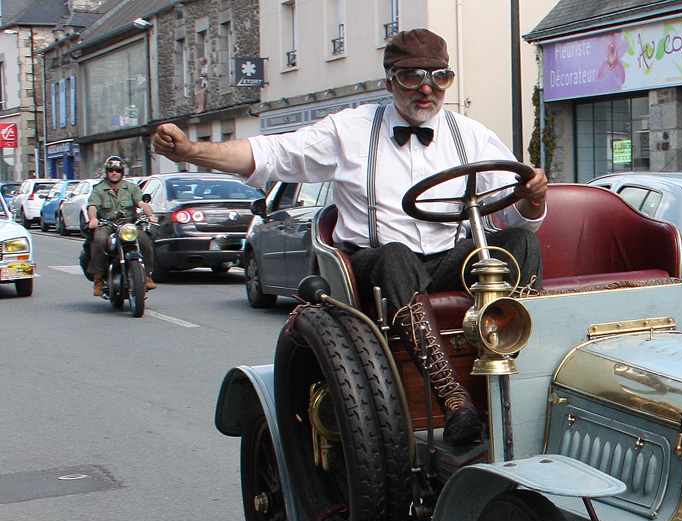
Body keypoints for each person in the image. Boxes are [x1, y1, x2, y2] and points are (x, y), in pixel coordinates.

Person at [151, 28, 547, 444]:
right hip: (376, 264)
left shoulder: (471, 135)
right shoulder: (350, 129)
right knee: (396, 255)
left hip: (450, 257)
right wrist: (192, 152)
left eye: (440, 78)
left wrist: (533, 199)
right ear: (390, 80)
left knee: (521, 246)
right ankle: (455, 401)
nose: (428, 89)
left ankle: (520, 379)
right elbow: (272, 154)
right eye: (413, 78)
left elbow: (520, 212)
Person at [86, 156, 157, 297]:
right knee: (99, 240)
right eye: (111, 170)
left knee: (144, 239)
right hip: (107, 224)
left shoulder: (131, 188)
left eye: (117, 170)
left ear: (122, 172)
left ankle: (147, 274)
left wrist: (149, 215)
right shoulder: (99, 189)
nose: (114, 173)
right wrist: (93, 218)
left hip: (127, 224)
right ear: (107, 172)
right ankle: (98, 279)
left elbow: (142, 203)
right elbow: (93, 205)